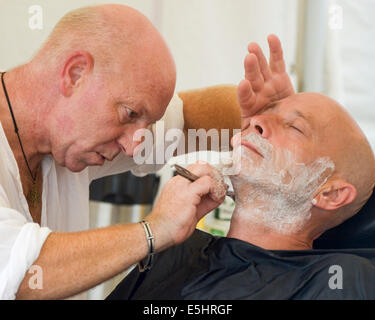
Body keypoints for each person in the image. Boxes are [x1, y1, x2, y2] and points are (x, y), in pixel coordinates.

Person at [0, 4, 250, 299]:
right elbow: (23, 274)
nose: (133, 146)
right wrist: (155, 229)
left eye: (148, 124)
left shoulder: (71, 137)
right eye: (130, 114)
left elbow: (190, 120)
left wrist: (268, 116)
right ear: (75, 74)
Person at [106, 42, 375, 300]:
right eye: (266, 114)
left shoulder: (339, 278)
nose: (255, 121)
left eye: (295, 127)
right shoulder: (177, 248)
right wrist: (155, 231)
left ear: (331, 194)